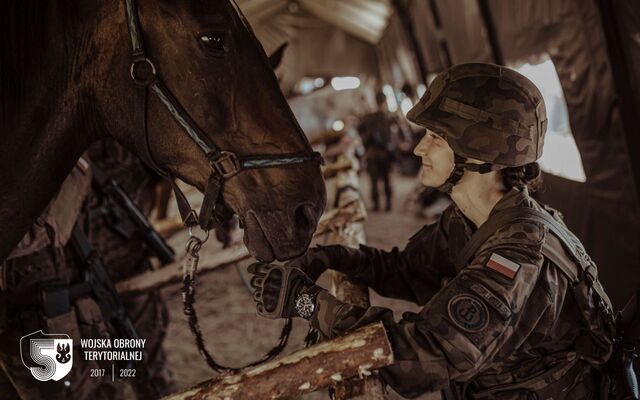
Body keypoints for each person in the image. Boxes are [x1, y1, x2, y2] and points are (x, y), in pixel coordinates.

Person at [248, 63, 616, 399]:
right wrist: (331, 257)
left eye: (437, 138)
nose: (420, 147)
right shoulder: (471, 220)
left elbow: (419, 360)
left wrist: (307, 302)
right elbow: (407, 271)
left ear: (479, 155)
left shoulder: (519, 255)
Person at [358, 93, 402, 212]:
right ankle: (388, 205)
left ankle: (376, 205)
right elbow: (396, 135)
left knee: (374, 181)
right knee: (387, 179)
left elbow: (359, 130)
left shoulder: (368, 117)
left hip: (372, 153)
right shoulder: (388, 117)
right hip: (385, 153)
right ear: (385, 101)